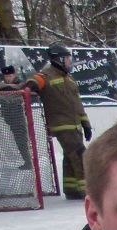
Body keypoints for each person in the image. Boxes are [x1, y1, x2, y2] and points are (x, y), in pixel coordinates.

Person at [25, 44, 91, 199]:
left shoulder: (69, 79)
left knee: (70, 156)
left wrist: (85, 123)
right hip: (61, 124)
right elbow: (30, 84)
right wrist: (31, 88)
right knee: (79, 154)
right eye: (68, 59)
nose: (70, 62)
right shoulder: (45, 76)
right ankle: (88, 190)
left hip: (74, 124)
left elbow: (77, 103)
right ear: (59, 59)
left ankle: (72, 189)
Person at [0, 64, 34, 170]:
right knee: (19, 141)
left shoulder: (19, 84)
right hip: (10, 118)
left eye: (10, 76)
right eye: (6, 76)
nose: (8, 78)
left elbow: (21, 98)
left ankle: (29, 162)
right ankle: (28, 161)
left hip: (19, 117)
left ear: (14, 75)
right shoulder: (3, 86)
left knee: (22, 140)